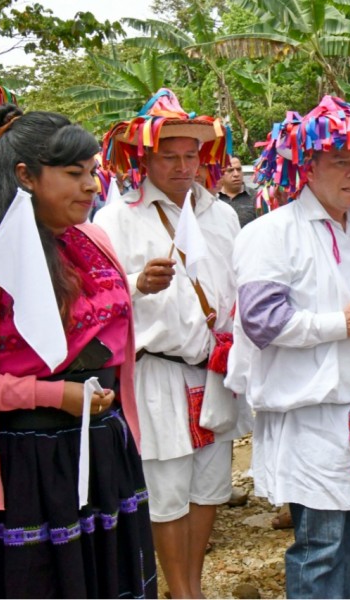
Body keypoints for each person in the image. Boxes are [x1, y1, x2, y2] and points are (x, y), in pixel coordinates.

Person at [228, 95, 350, 599]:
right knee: (322, 542)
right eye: (341, 163)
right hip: (311, 413)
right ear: (308, 165)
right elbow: (261, 320)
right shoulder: (272, 234)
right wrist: (338, 324)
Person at [0, 105, 157, 597]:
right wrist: (51, 395)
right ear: (25, 176)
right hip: (32, 460)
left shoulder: (94, 239)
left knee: (108, 578)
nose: (91, 186)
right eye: (72, 174)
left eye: (91, 172)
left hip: (104, 443)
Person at [94, 88, 248, 599]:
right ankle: (179, 590)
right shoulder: (117, 219)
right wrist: (138, 284)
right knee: (166, 490)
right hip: (156, 370)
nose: (183, 166)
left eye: (191, 155)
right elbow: (93, 299)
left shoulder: (222, 214)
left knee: (209, 486)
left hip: (214, 368)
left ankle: (193, 585)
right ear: (144, 158)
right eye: (169, 156)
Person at [218, 155, 258, 227]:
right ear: (221, 174)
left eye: (239, 169)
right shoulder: (213, 198)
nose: (236, 174)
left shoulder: (256, 197)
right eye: (230, 170)